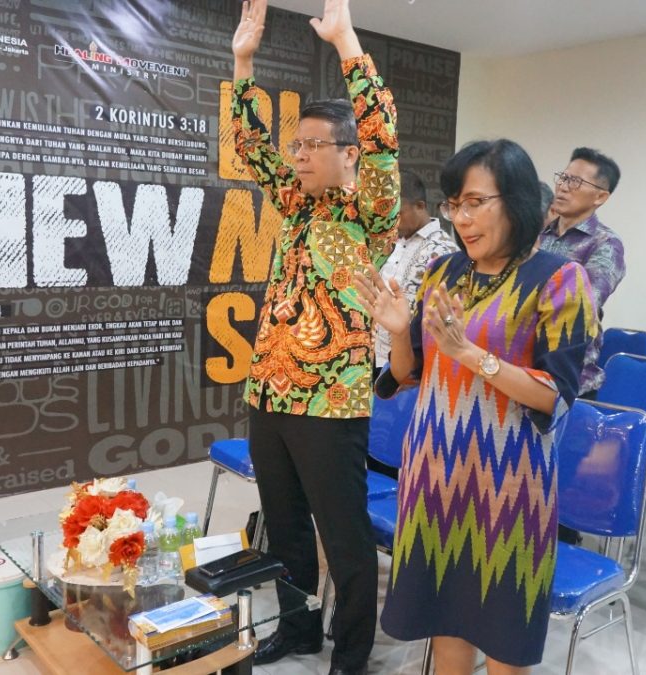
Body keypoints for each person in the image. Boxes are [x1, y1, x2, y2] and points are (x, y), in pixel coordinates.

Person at [356, 139, 597, 674]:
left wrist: (473, 355)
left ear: (516, 202)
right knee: (445, 621)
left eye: (475, 202)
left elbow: (555, 396)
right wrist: (398, 332)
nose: (461, 218)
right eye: (454, 205)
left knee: (504, 637)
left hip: (508, 483)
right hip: (433, 471)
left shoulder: (559, 279)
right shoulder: (444, 271)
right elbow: (408, 374)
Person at [229, 2, 399, 673]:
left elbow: (383, 133)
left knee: (344, 535)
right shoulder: (295, 201)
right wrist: (243, 62)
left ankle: (350, 655)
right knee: (284, 525)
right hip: (269, 390)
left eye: (310, 146)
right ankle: (298, 629)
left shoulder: (370, 211)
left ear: (348, 154)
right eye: (295, 145)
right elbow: (250, 147)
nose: (296, 155)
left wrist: (348, 43)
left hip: (332, 402)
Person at [539, 147, 626, 399]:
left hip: (571, 380)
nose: (563, 187)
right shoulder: (538, 235)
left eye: (575, 181)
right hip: (525, 370)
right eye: (563, 177)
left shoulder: (606, 244)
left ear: (600, 196)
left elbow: (583, 303)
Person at [373, 170, 457, 377]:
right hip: (376, 357)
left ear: (420, 206)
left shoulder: (443, 250)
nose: (393, 220)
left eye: (399, 213)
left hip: (413, 365)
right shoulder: (392, 242)